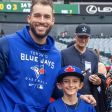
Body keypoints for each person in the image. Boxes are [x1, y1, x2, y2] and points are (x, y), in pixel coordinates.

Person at [0, 1, 96, 112]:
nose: (42, 21)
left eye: (46, 17)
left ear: (52, 21)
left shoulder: (55, 55)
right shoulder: (7, 44)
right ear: (29, 18)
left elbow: (56, 88)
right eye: (37, 15)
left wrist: (78, 96)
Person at [61, 24, 106, 112]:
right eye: (80, 37)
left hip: (88, 100)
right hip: (68, 100)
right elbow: (59, 79)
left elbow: (95, 76)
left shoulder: (93, 55)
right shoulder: (64, 54)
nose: (83, 40)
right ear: (75, 36)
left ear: (89, 38)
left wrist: (97, 80)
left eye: (86, 37)